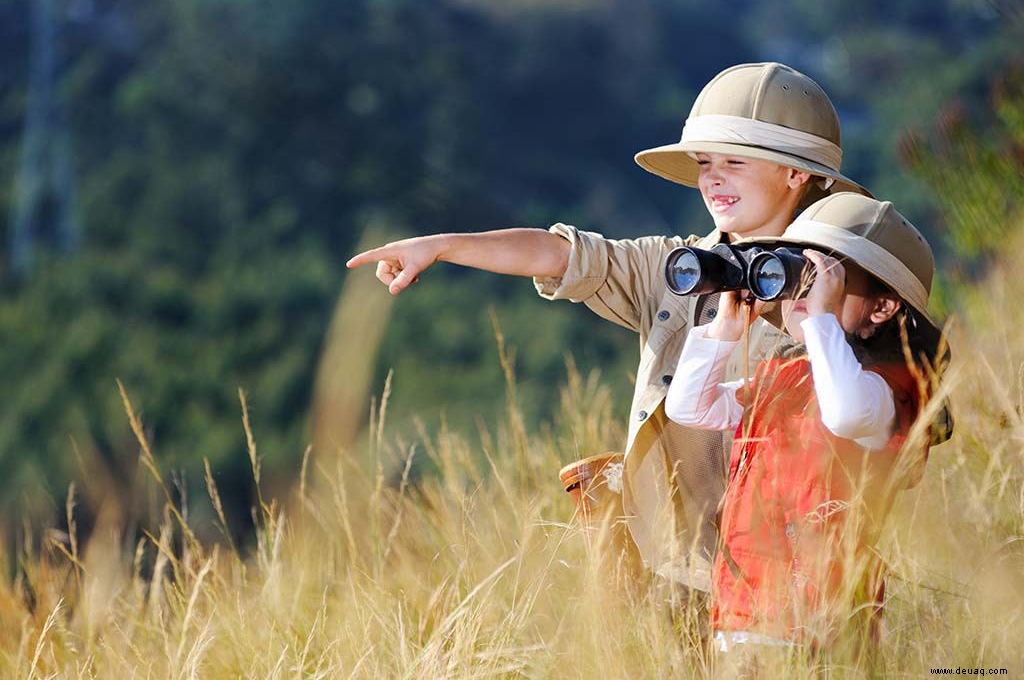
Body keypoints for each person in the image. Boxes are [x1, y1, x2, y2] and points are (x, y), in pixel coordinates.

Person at [346, 63, 870, 596]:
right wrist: (441, 246)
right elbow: (561, 255)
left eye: (735, 162)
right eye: (705, 163)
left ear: (795, 173)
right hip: (664, 567)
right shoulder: (674, 270)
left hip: (782, 581)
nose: (712, 179)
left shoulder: (842, 296)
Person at [664, 192, 948, 660]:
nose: (803, 290)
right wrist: (723, 329)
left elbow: (844, 412)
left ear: (882, 309)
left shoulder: (886, 391)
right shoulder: (782, 377)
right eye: (795, 269)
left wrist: (821, 320)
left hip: (822, 632)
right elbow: (690, 407)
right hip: (740, 619)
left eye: (825, 278)